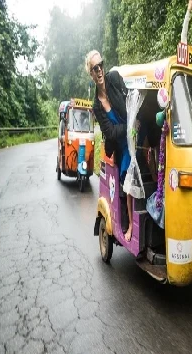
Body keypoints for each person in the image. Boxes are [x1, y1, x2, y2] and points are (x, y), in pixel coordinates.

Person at [85, 50, 134, 242]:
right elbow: (111, 133)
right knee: (128, 173)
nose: (99, 71)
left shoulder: (114, 78)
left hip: (135, 131)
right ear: (90, 73)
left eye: (100, 66)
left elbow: (130, 103)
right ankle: (130, 224)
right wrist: (128, 128)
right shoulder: (96, 105)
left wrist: (133, 125)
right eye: (94, 69)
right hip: (121, 144)